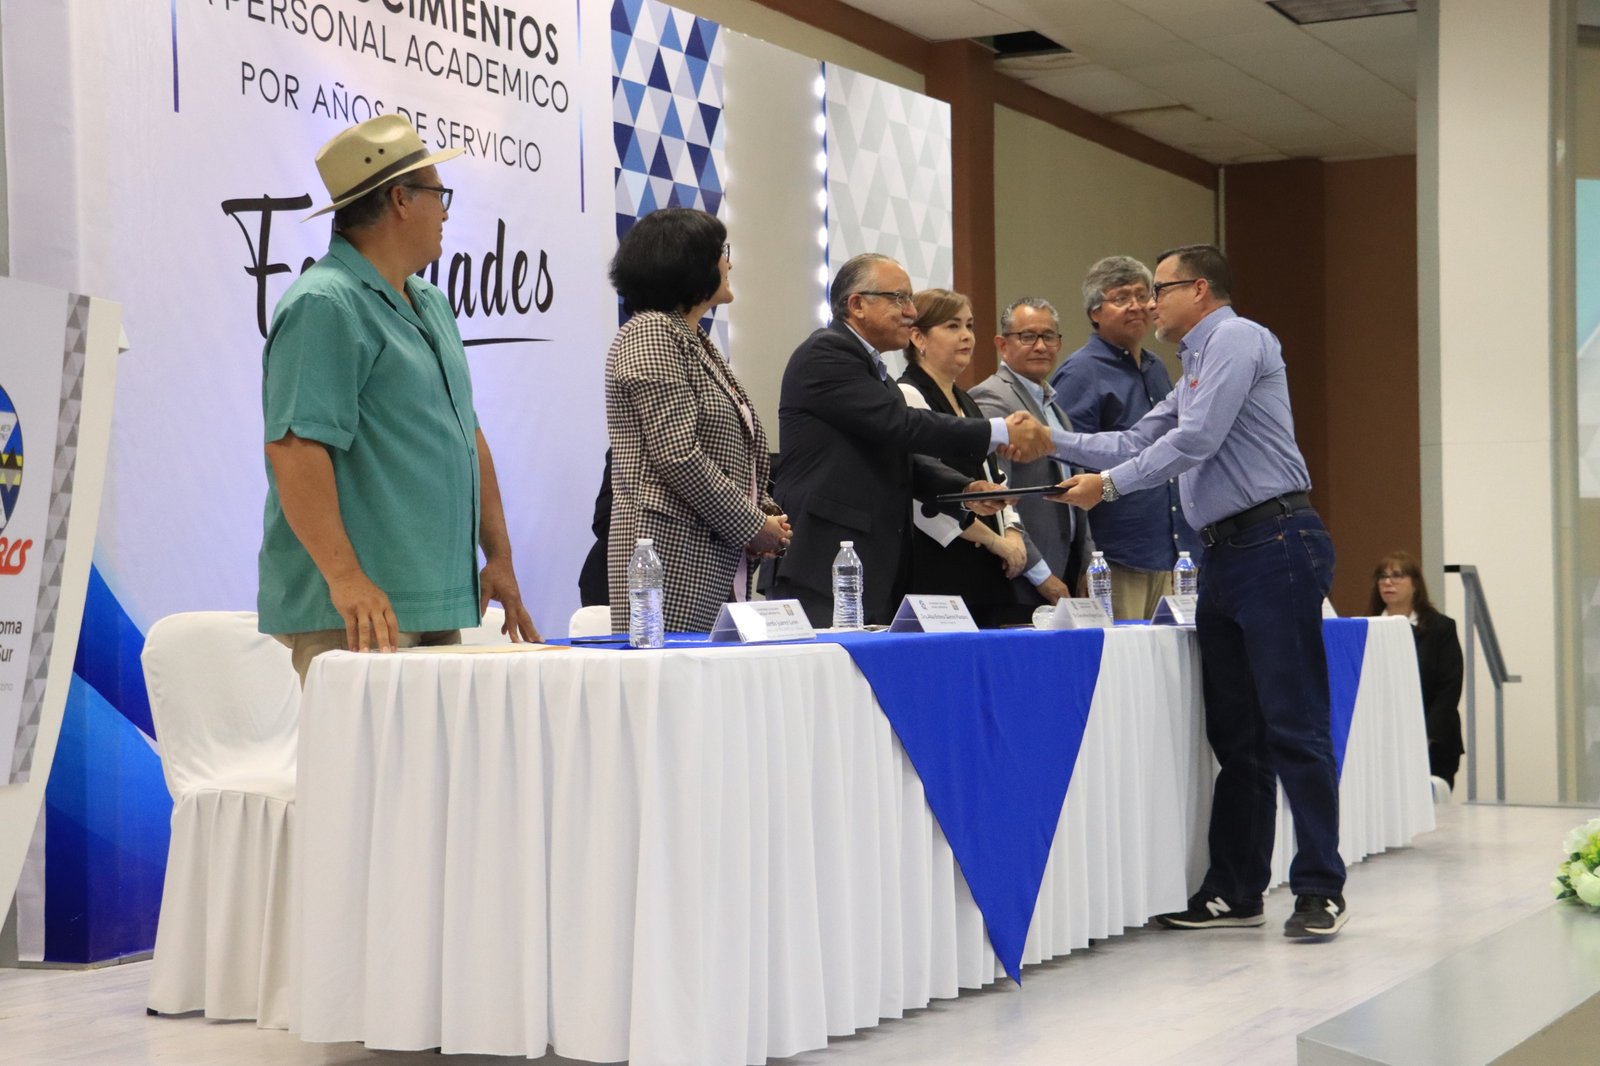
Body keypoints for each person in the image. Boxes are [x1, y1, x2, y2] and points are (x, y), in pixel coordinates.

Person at [1052, 244, 1347, 939]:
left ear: (1202, 290)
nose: (1150, 302)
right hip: (1223, 555)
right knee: (1237, 736)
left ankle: (1319, 888)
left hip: (1275, 542)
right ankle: (1236, 890)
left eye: (1160, 288)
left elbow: (1197, 441)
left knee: (1293, 724)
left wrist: (1109, 488)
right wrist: (1047, 441)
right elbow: (1133, 440)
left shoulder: (1237, 339)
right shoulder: (1192, 368)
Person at [258, 114, 539, 682]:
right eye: (439, 195)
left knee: (440, 747)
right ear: (400, 199)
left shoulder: (430, 303)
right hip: (359, 613)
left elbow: (467, 435)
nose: (446, 213)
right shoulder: (325, 304)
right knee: (366, 747)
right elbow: (295, 449)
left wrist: (499, 557)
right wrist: (346, 578)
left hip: (434, 601)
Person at [770, 253, 1053, 626]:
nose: (911, 311)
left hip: (873, 568)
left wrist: (966, 489)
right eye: (899, 298)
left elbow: (901, 455)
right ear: (857, 304)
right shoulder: (826, 353)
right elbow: (902, 426)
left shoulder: (878, 374)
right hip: (826, 564)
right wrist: (999, 431)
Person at [604, 207, 790, 633]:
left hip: (708, 555)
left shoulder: (692, 339)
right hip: (669, 558)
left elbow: (728, 455)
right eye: (722, 252)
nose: (729, 264)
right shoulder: (651, 332)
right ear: (688, 262)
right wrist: (751, 525)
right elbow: (678, 455)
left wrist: (766, 517)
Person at [1050, 258, 1203, 619]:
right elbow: (1067, 467)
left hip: (1172, 552)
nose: (1136, 305)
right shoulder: (1081, 372)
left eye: (1142, 295)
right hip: (1115, 557)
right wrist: (1085, 560)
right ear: (1095, 313)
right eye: (1121, 298)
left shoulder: (1156, 366)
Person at [897, 289, 1040, 627]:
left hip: (987, 569)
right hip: (940, 568)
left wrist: (1012, 532)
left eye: (969, 326)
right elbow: (920, 491)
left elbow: (994, 477)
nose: (966, 336)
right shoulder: (908, 395)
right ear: (918, 337)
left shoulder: (967, 401)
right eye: (952, 326)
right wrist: (993, 541)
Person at [969, 297, 1089, 600]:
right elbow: (998, 496)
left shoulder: (1056, 410)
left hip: (1067, 568)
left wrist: (1087, 563)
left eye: (1048, 336)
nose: (1040, 346)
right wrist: (1041, 575)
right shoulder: (991, 398)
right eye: (1027, 336)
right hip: (1023, 577)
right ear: (1002, 344)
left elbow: (1075, 489)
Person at [1369, 550, 1465, 789]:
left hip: (1432, 743)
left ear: (1415, 584)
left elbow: (1449, 687)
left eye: (1397, 575)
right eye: (1382, 576)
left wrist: (1425, 736)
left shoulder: (1440, 628)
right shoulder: (1366, 627)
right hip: (1381, 742)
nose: (1387, 582)